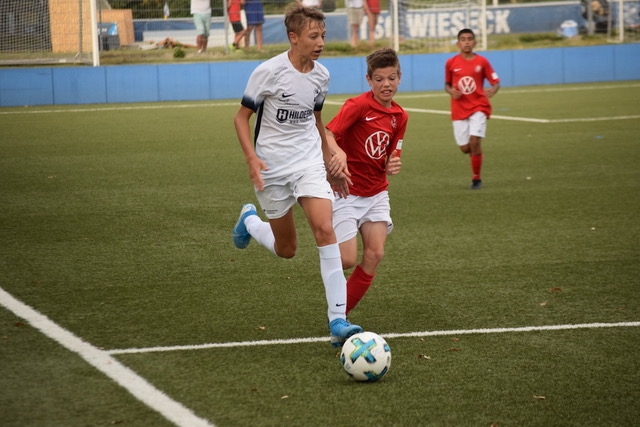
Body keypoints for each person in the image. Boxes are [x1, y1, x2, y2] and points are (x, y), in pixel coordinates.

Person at [232, 4, 363, 347]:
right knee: (287, 249)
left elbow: (315, 120)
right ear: (293, 37)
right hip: (272, 167)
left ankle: (338, 321)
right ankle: (250, 221)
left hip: (307, 162)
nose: (321, 43)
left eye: (323, 36)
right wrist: (251, 158)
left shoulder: (322, 76)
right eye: (313, 36)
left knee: (324, 228)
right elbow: (241, 117)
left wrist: (329, 160)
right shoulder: (268, 72)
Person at [325, 48, 408, 315]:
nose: (386, 84)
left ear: (399, 77)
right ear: (369, 80)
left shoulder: (400, 117)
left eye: (392, 78)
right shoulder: (357, 106)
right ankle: (325, 246)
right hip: (347, 191)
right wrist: (338, 154)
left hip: (376, 193)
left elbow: (391, 155)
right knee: (346, 259)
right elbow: (327, 134)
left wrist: (393, 163)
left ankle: (339, 316)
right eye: (379, 79)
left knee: (375, 254)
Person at [444, 28, 500, 190]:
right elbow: (447, 85)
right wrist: (451, 91)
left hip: (478, 106)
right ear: (458, 43)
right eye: (463, 39)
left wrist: (493, 90)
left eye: (469, 39)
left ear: (474, 43)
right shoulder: (451, 63)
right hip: (459, 108)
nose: (466, 42)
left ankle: (476, 178)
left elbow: (495, 81)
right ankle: (474, 154)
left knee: (475, 141)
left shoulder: (482, 62)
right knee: (465, 148)